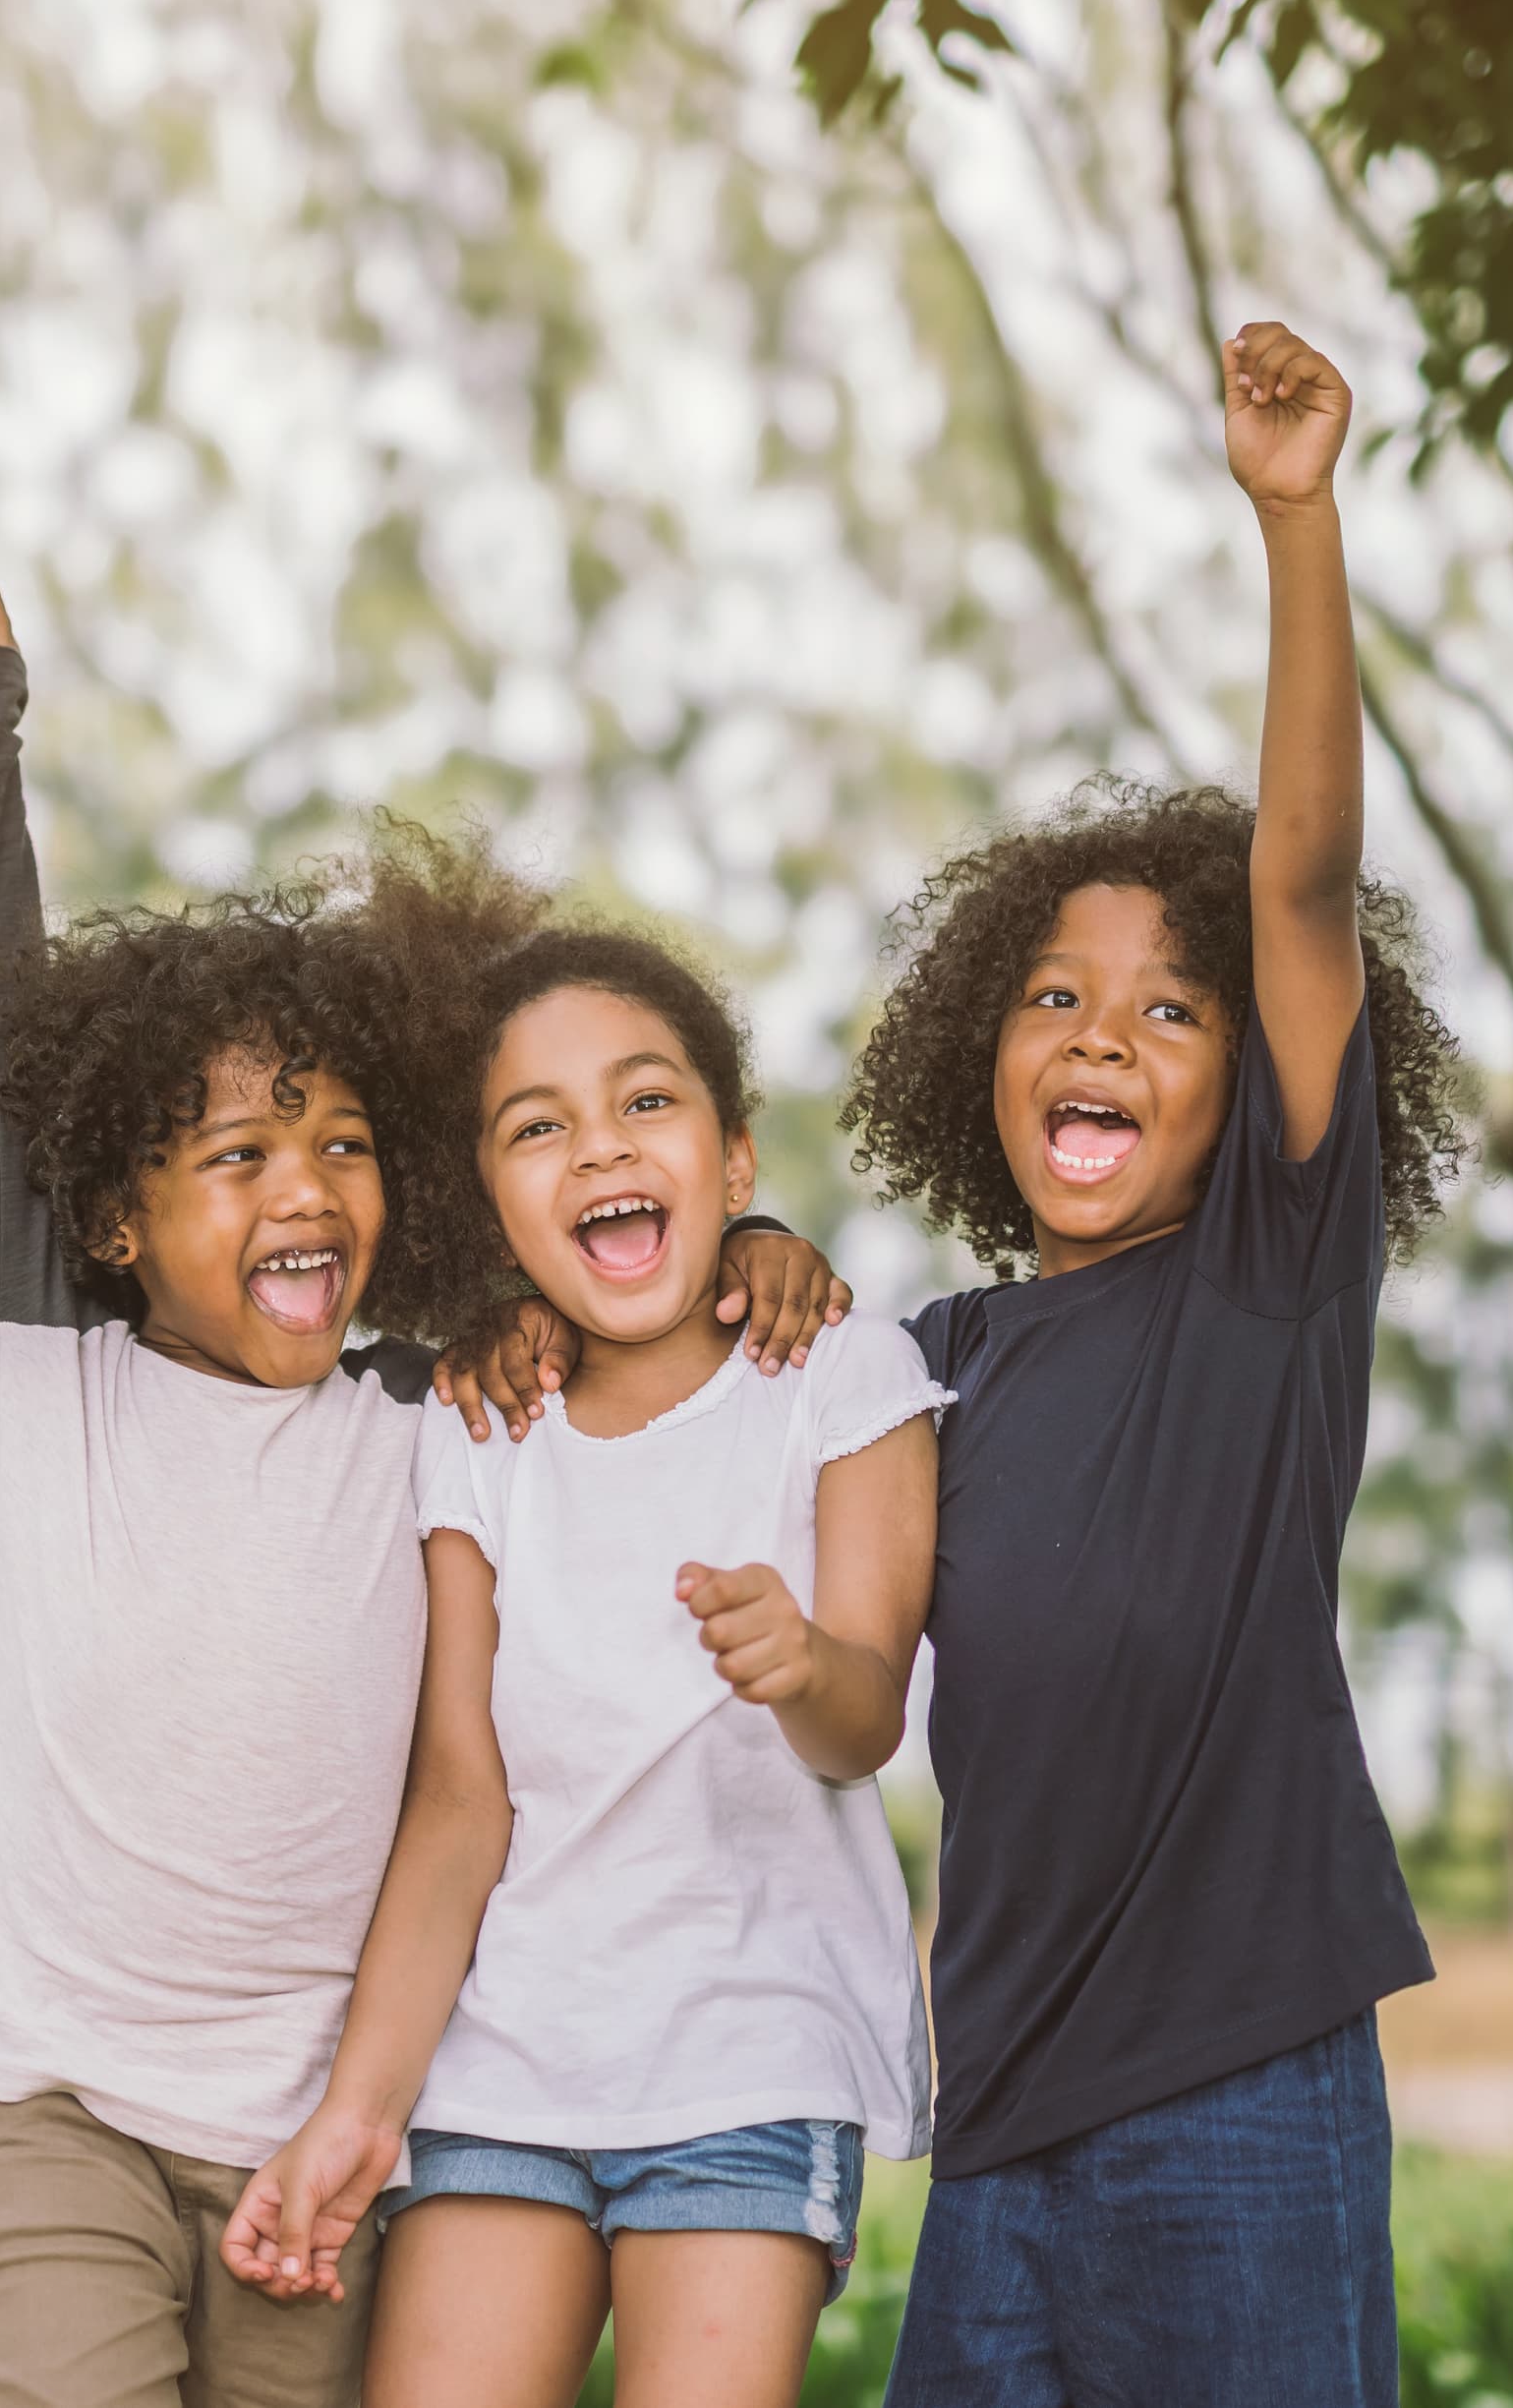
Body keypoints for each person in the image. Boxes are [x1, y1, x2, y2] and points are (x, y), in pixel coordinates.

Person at [0, 572, 852, 2408]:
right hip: (44, 2091)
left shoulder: (435, 1407)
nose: (305, 1187)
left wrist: (753, 1246)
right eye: (238, 1156)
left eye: (346, 1146)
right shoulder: (36, 1373)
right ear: (111, 1217)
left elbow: (609, 1250)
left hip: (320, 2125)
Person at [838, 327, 1473, 2408]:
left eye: (1171, 1013)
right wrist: (750, 1257)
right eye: (1054, 995)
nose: (1102, 1034)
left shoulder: (1266, 1292)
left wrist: (1296, 524)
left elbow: (1297, 875)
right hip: (999, 2121)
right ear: (977, 1054)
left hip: (1243, 2097)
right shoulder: (917, 1369)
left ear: (1248, 1085)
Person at [217, 921, 944, 2408]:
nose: (598, 1147)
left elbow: (862, 1723)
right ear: (490, 1207)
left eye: (645, 1103)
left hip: (753, 2062)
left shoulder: (842, 1377)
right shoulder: (475, 1433)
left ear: (736, 1166)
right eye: (536, 1128)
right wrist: (356, 2116)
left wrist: (802, 1662)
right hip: (503, 2071)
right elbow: (458, 1806)